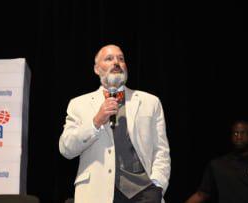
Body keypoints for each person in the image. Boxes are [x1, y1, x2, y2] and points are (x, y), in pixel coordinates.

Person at [59, 44, 171, 203]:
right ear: (97, 69)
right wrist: (95, 122)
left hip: (144, 193)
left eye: (121, 59)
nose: (116, 63)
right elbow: (66, 148)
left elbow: (161, 150)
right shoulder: (79, 104)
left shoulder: (150, 102)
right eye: (109, 59)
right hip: (97, 192)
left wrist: (158, 185)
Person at [186, 120, 248, 203]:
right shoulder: (217, 165)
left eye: (243, 133)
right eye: (235, 133)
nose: (239, 137)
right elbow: (201, 194)